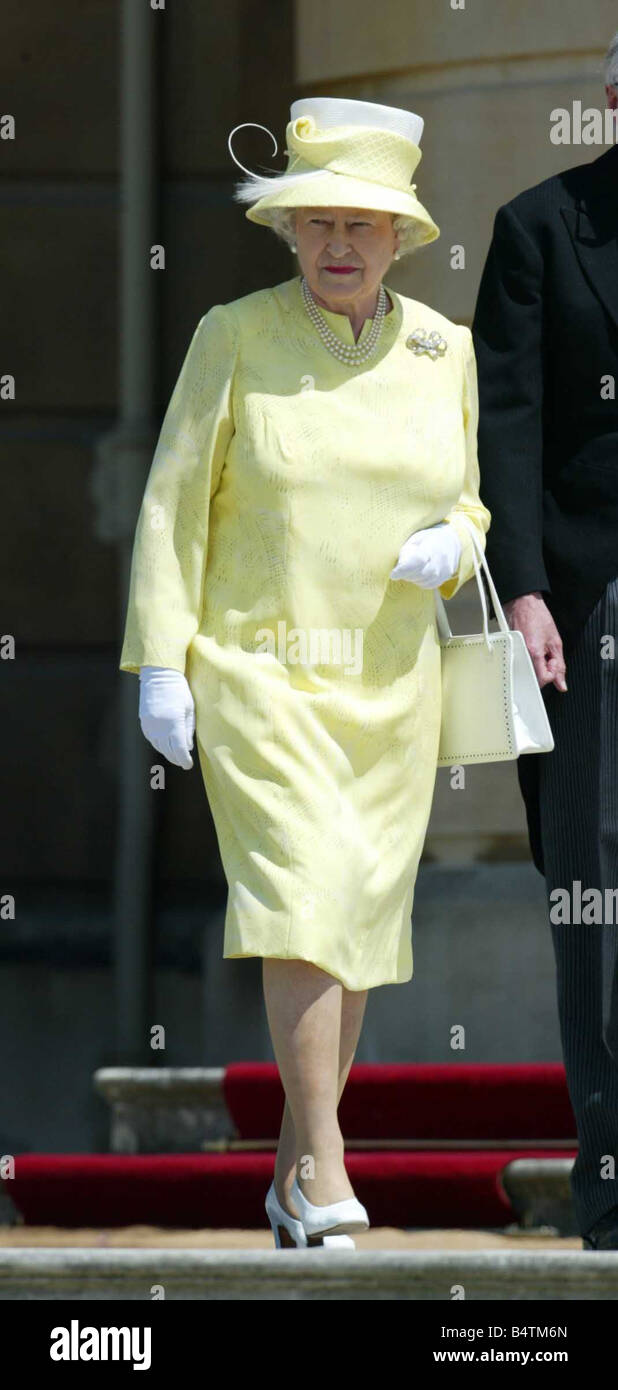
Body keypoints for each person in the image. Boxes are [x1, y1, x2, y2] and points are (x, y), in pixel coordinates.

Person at [119, 96, 491, 1248]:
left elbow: (470, 495)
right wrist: (159, 661)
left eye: (364, 225)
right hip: (259, 672)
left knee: (353, 924)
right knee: (300, 901)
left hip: (390, 686)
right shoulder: (231, 335)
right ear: (288, 230)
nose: (341, 241)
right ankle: (328, 1170)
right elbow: (173, 505)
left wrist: (461, 539)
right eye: (319, 219)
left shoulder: (445, 351)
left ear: (402, 238)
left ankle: (288, 1172)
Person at [472, 34, 618, 1250]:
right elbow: (506, 430)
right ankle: (612, 1180)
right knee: (594, 893)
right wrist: (522, 593)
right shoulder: (538, 229)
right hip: (588, 612)